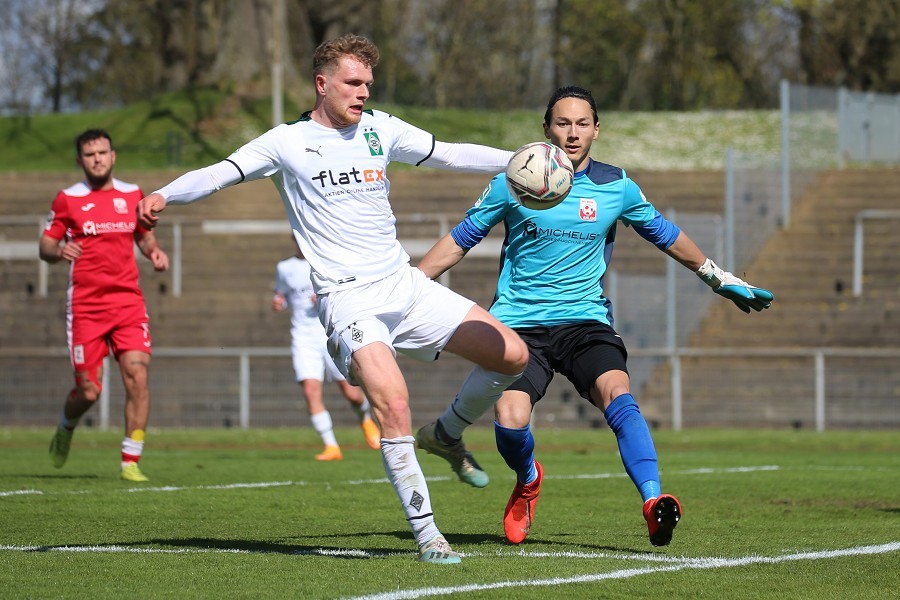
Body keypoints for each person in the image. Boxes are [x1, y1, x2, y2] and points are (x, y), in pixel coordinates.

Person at [136, 34, 528, 564]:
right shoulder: (285, 142)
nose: (363, 92)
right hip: (349, 299)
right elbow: (218, 174)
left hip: (404, 284)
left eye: (368, 83)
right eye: (352, 82)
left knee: (512, 355)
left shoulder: (381, 128)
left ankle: (445, 434)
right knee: (393, 403)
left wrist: (520, 160)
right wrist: (164, 194)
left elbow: (451, 154)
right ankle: (429, 535)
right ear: (322, 84)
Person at [416, 85, 774, 547]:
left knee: (618, 393)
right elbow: (461, 239)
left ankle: (653, 501)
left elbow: (665, 234)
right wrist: (407, 287)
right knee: (508, 417)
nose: (572, 133)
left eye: (582, 124)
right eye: (563, 123)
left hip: (585, 323)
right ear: (546, 129)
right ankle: (528, 479)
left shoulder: (616, 186)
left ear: (596, 130)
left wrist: (716, 276)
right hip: (518, 326)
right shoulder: (514, 181)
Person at [40, 128, 170, 483]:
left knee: (138, 376)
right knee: (89, 391)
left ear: (113, 156)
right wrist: (59, 250)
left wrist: (154, 252)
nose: (97, 159)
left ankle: (130, 460)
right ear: (79, 160)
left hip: (128, 303)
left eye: (102, 153)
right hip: (86, 307)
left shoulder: (132, 194)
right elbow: (45, 246)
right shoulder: (67, 199)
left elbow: (143, 235)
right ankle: (66, 426)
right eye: (90, 154)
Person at [272, 240, 382, 460]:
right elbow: (282, 295)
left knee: (351, 393)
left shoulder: (326, 262)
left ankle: (365, 419)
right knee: (310, 391)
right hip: (303, 338)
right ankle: (331, 446)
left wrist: (324, 296)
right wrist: (279, 303)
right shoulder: (285, 268)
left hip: (330, 334)